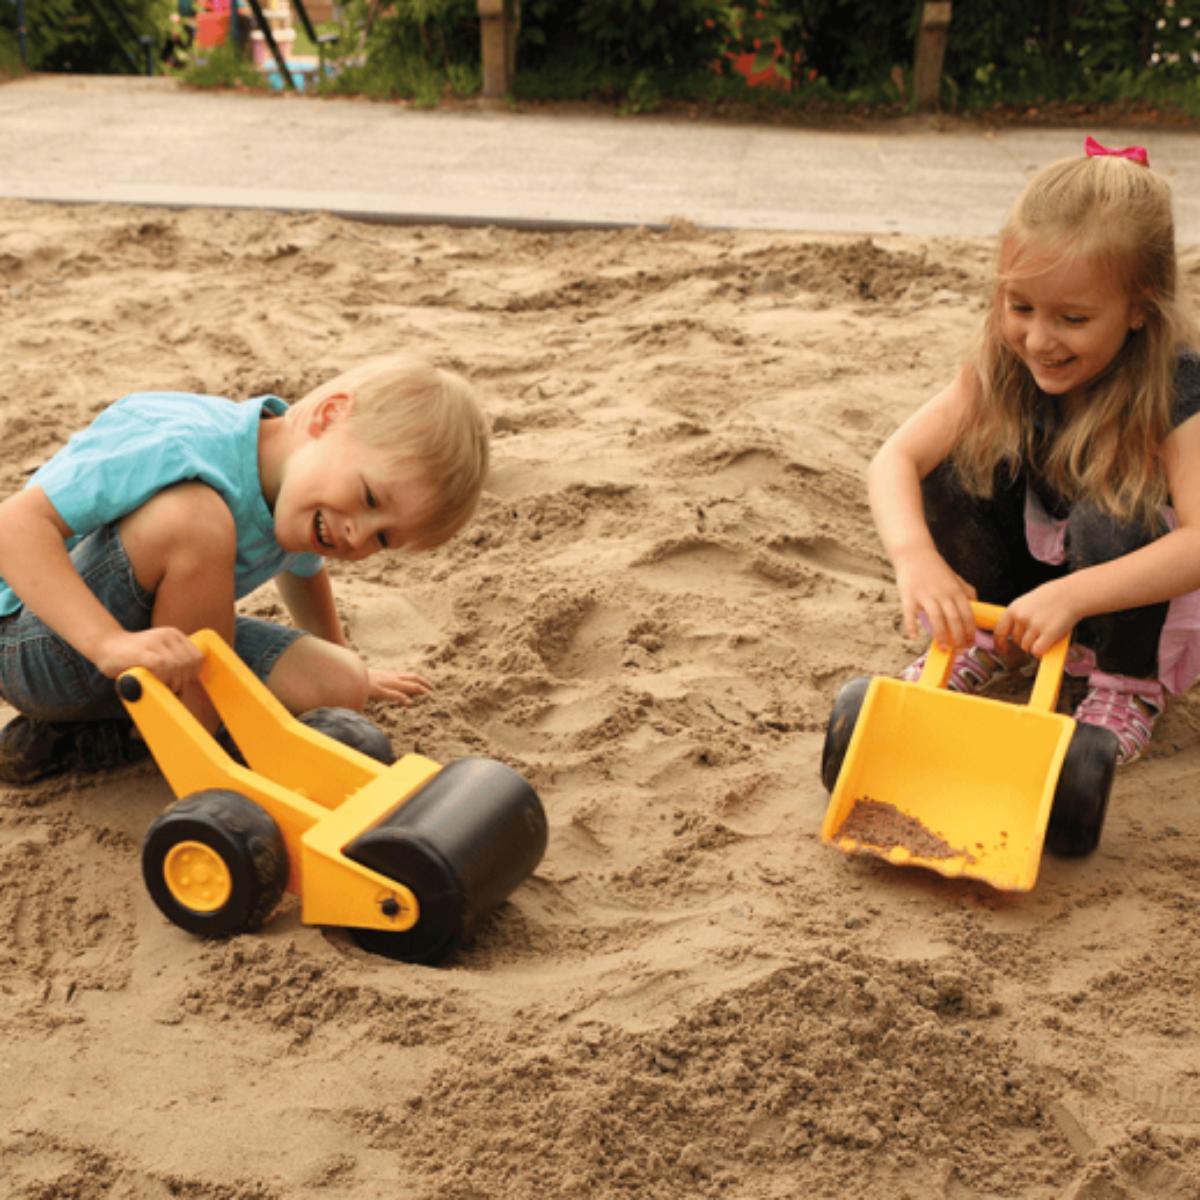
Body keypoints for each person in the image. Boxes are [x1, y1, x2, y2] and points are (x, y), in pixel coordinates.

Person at [0, 354, 489, 783]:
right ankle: (195, 752)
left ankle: (98, 739)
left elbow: (302, 569)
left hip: (150, 655)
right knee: (194, 519)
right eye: (369, 498)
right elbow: (14, 525)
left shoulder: (301, 492)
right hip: (38, 641)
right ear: (329, 415)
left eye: (383, 538)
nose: (358, 536)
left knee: (339, 683)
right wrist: (107, 642)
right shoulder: (179, 441)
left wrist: (350, 662)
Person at [867, 137, 1200, 765]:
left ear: (1140, 308)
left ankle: (1126, 687)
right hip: (1032, 572)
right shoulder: (1004, 360)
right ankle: (987, 635)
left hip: (1124, 586)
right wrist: (915, 559)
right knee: (951, 470)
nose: (1039, 339)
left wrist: (1076, 596)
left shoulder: (1175, 387)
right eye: (1020, 307)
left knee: (1114, 504)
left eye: (1073, 319)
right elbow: (895, 460)